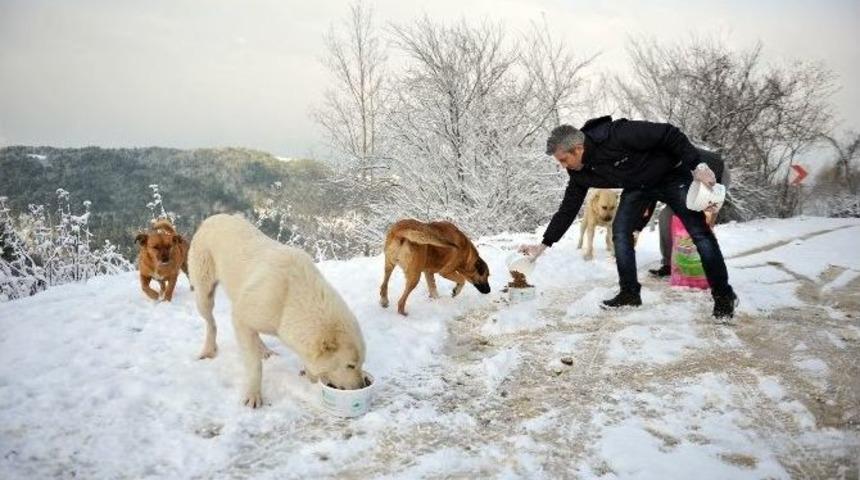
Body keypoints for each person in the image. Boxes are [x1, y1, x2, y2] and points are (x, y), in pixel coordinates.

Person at [519, 116, 738, 318]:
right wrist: (544, 244)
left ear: (578, 149)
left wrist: (697, 166)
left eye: (564, 160)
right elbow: (568, 208)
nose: (563, 166)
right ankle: (629, 293)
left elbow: (669, 133)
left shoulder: (617, 134)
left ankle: (724, 296)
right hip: (638, 187)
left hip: (671, 176)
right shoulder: (579, 173)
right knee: (621, 232)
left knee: (698, 233)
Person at [641, 147, 730, 278]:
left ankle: (708, 266)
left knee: (703, 220)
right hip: (688, 182)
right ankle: (668, 265)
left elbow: (711, 207)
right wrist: (637, 226)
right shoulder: (651, 173)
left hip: (717, 173)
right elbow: (648, 202)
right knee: (665, 217)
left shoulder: (668, 163)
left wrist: (710, 220)